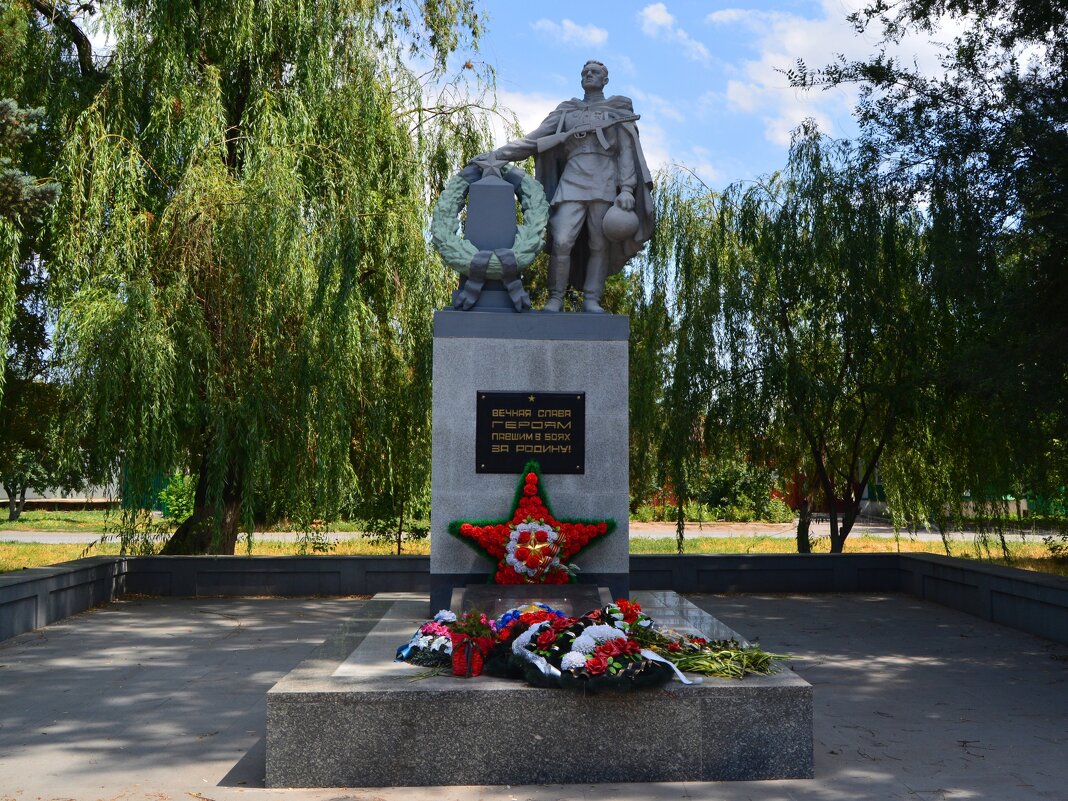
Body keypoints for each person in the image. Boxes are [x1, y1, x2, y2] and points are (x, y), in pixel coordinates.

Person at [491, 60, 654, 313]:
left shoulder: (617, 110)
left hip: (605, 183)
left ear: (605, 80)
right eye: (585, 72)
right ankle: (555, 297)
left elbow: (625, 153)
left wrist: (626, 190)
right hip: (572, 181)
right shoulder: (566, 112)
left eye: (595, 72)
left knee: (599, 244)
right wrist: (498, 155)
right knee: (562, 240)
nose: (589, 74)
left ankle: (592, 299)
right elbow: (535, 139)